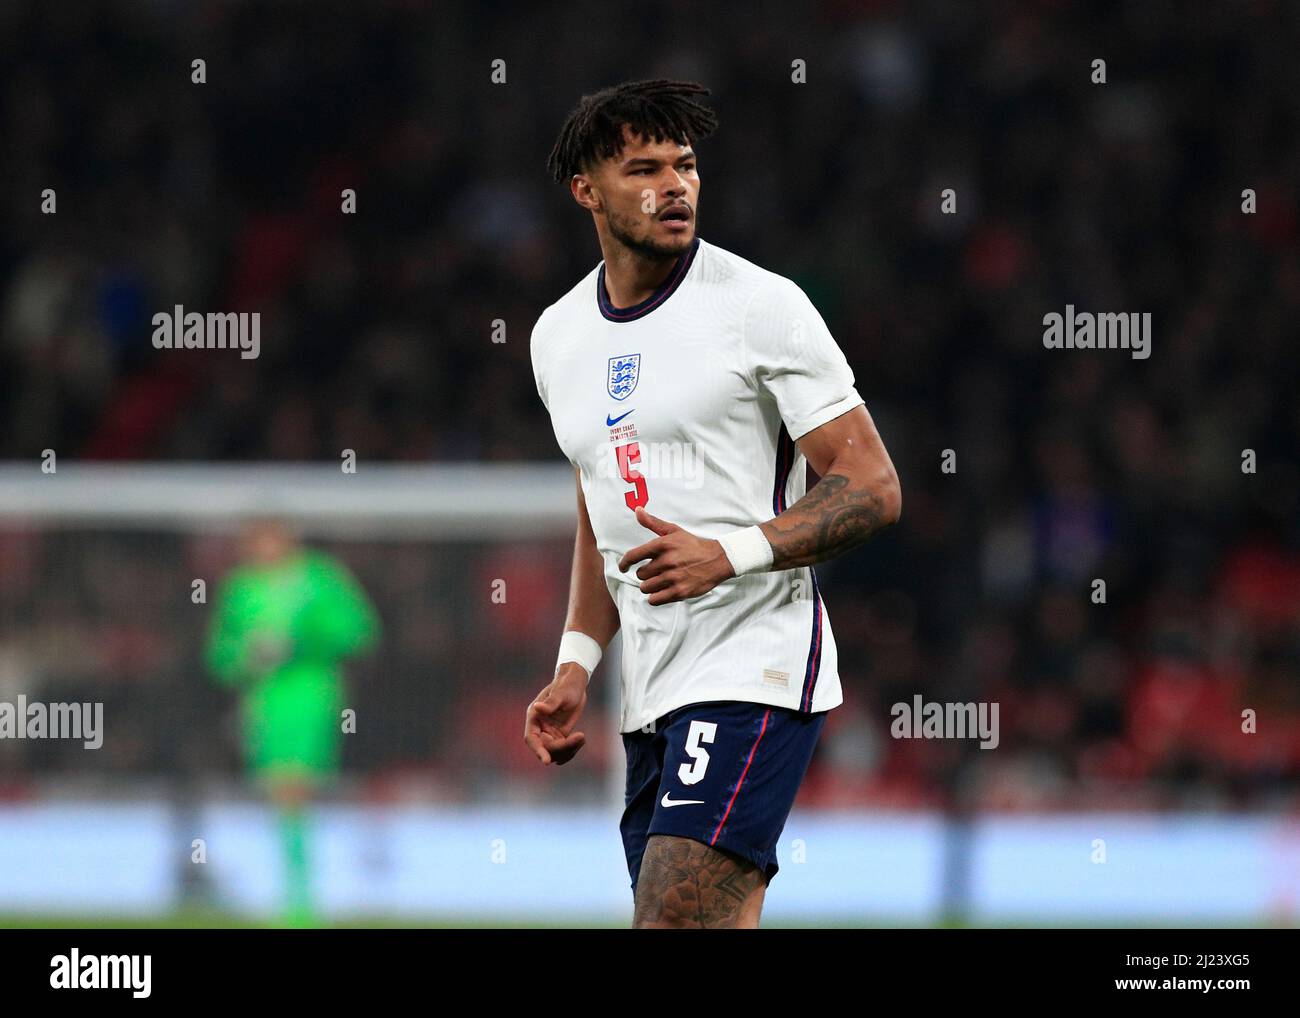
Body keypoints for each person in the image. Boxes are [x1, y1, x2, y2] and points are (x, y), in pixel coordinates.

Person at [524, 80, 902, 928]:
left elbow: (873, 487)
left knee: (673, 917)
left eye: (686, 165)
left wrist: (729, 553)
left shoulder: (759, 307)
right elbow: (602, 500)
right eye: (644, 168)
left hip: (754, 661)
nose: (675, 186)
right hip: (651, 686)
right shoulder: (556, 337)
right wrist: (577, 661)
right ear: (586, 190)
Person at [205, 518, 379, 927]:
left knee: (293, 788)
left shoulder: (319, 578)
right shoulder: (241, 588)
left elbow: (359, 631)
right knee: (280, 793)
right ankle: (296, 896)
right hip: (262, 704)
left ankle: (300, 903)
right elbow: (219, 657)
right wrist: (248, 657)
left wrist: (301, 637)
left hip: (311, 698)